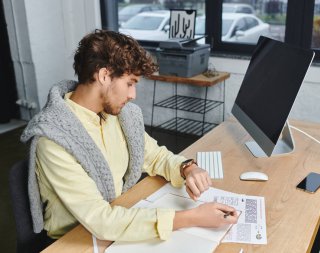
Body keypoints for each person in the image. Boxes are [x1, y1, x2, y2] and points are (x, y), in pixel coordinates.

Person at [21, 29, 238, 241]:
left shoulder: (119, 116)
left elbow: (153, 155)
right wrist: (193, 217)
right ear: (104, 75)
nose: (133, 95)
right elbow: (101, 221)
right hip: (78, 239)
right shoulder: (53, 140)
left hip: (118, 217)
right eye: (130, 83)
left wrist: (188, 168)